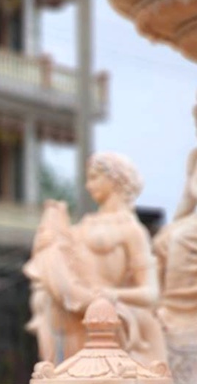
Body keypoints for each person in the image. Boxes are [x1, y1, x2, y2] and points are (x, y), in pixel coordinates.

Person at [24, 152, 166, 366]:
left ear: (115, 178)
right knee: (46, 298)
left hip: (107, 312)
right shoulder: (83, 224)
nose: (88, 186)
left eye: (94, 177)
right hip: (72, 308)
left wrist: (112, 295)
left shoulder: (132, 230)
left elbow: (151, 294)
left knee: (101, 315)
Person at [153, 98, 197, 335]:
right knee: (164, 238)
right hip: (193, 222)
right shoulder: (195, 157)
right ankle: (161, 305)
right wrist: (171, 225)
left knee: (182, 237)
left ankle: (181, 307)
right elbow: (187, 201)